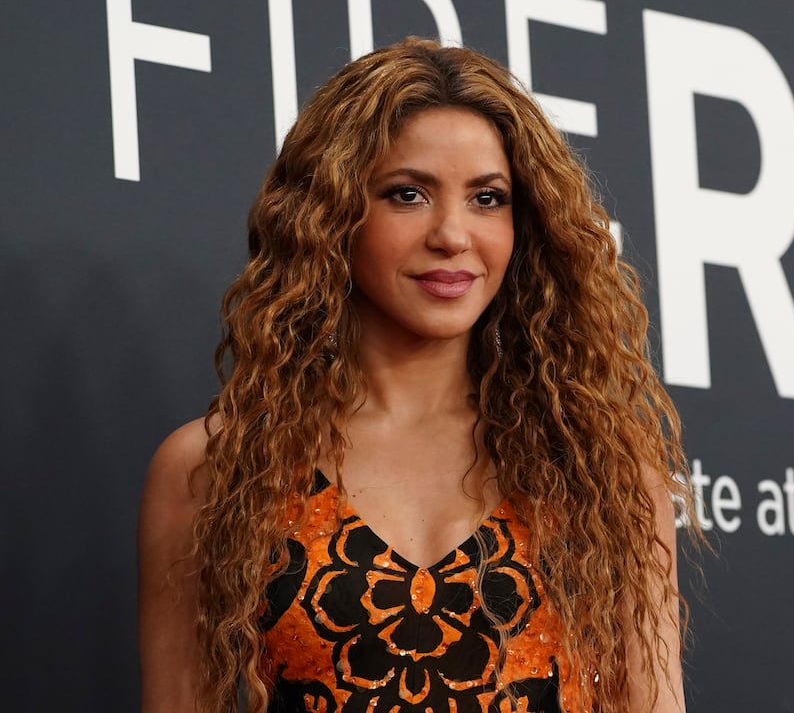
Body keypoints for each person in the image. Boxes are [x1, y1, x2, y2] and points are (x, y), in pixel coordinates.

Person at [139, 38, 692, 713]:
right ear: (332, 213)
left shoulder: (600, 471)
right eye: (408, 194)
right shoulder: (214, 468)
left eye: (487, 199)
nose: (452, 234)